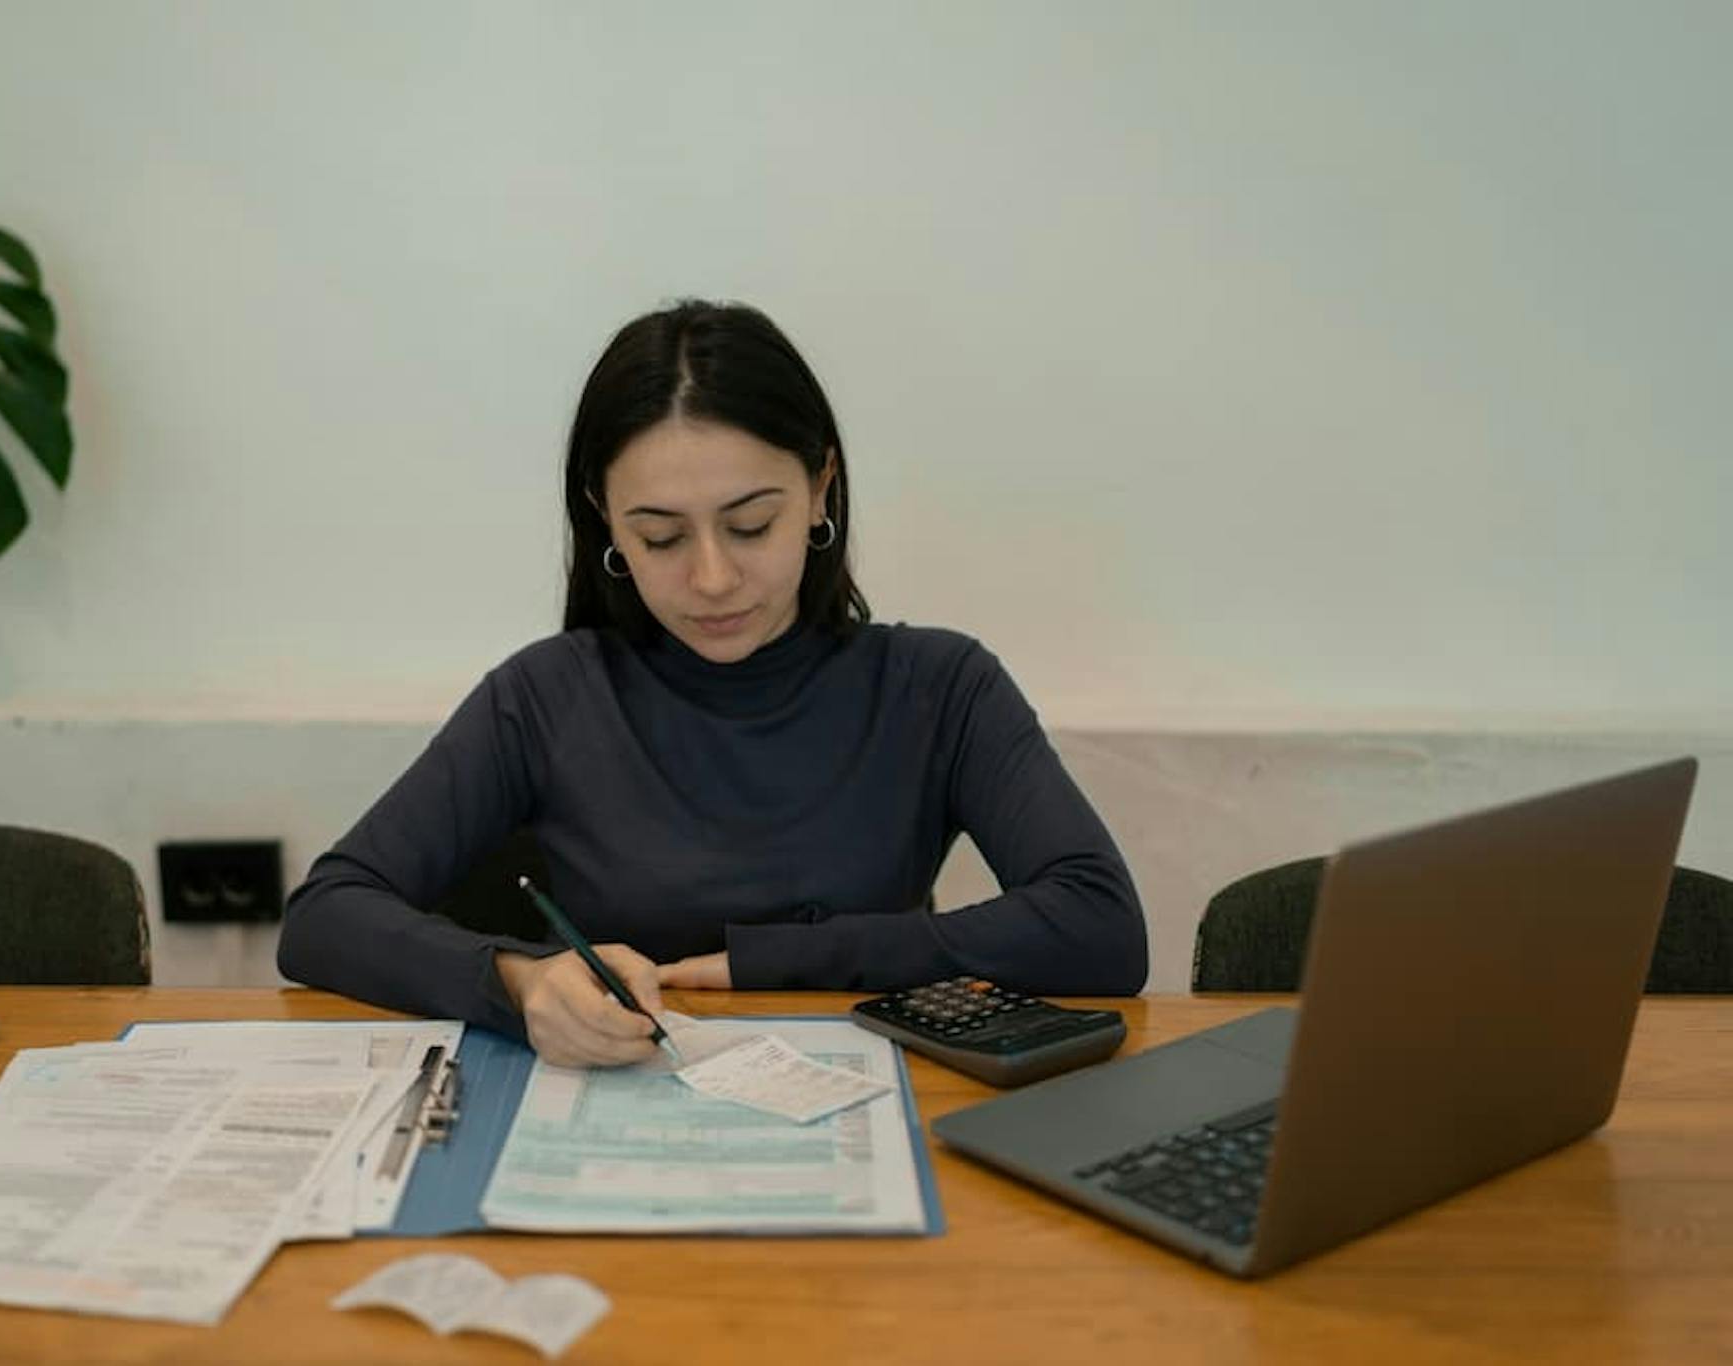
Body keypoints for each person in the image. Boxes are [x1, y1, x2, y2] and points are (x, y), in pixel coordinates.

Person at [278, 300, 1146, 1066]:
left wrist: (772, 964)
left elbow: (1099, 927)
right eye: (660, 538)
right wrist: (521, 982)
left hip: (869, 1117)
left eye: (751, 524)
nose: (713, 578)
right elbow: (325, 915)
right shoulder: (548, 695)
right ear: (605, 521)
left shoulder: (940, 687)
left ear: (820, 490)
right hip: (602, 1118)